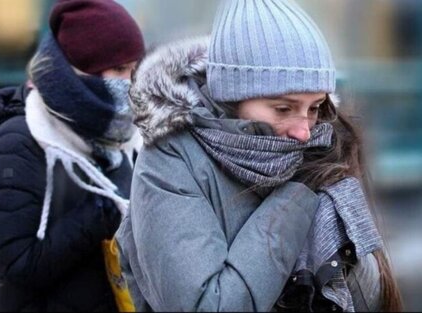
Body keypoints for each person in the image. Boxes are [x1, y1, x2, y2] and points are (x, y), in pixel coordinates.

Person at [116, 0, 402, 311]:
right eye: (283, 109)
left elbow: (372, 301)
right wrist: (296, 200)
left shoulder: (316, 151)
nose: (304, 131)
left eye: (315, 108)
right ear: (232, 96)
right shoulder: (169, 162)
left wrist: (337, 227)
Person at [0, 0, 144, 311]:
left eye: (134, 70)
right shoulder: (18, 143)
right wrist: (103, 212)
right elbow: (20, 264)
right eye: (120, 69)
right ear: (81, 70)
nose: (130, 83)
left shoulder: (125, 139)